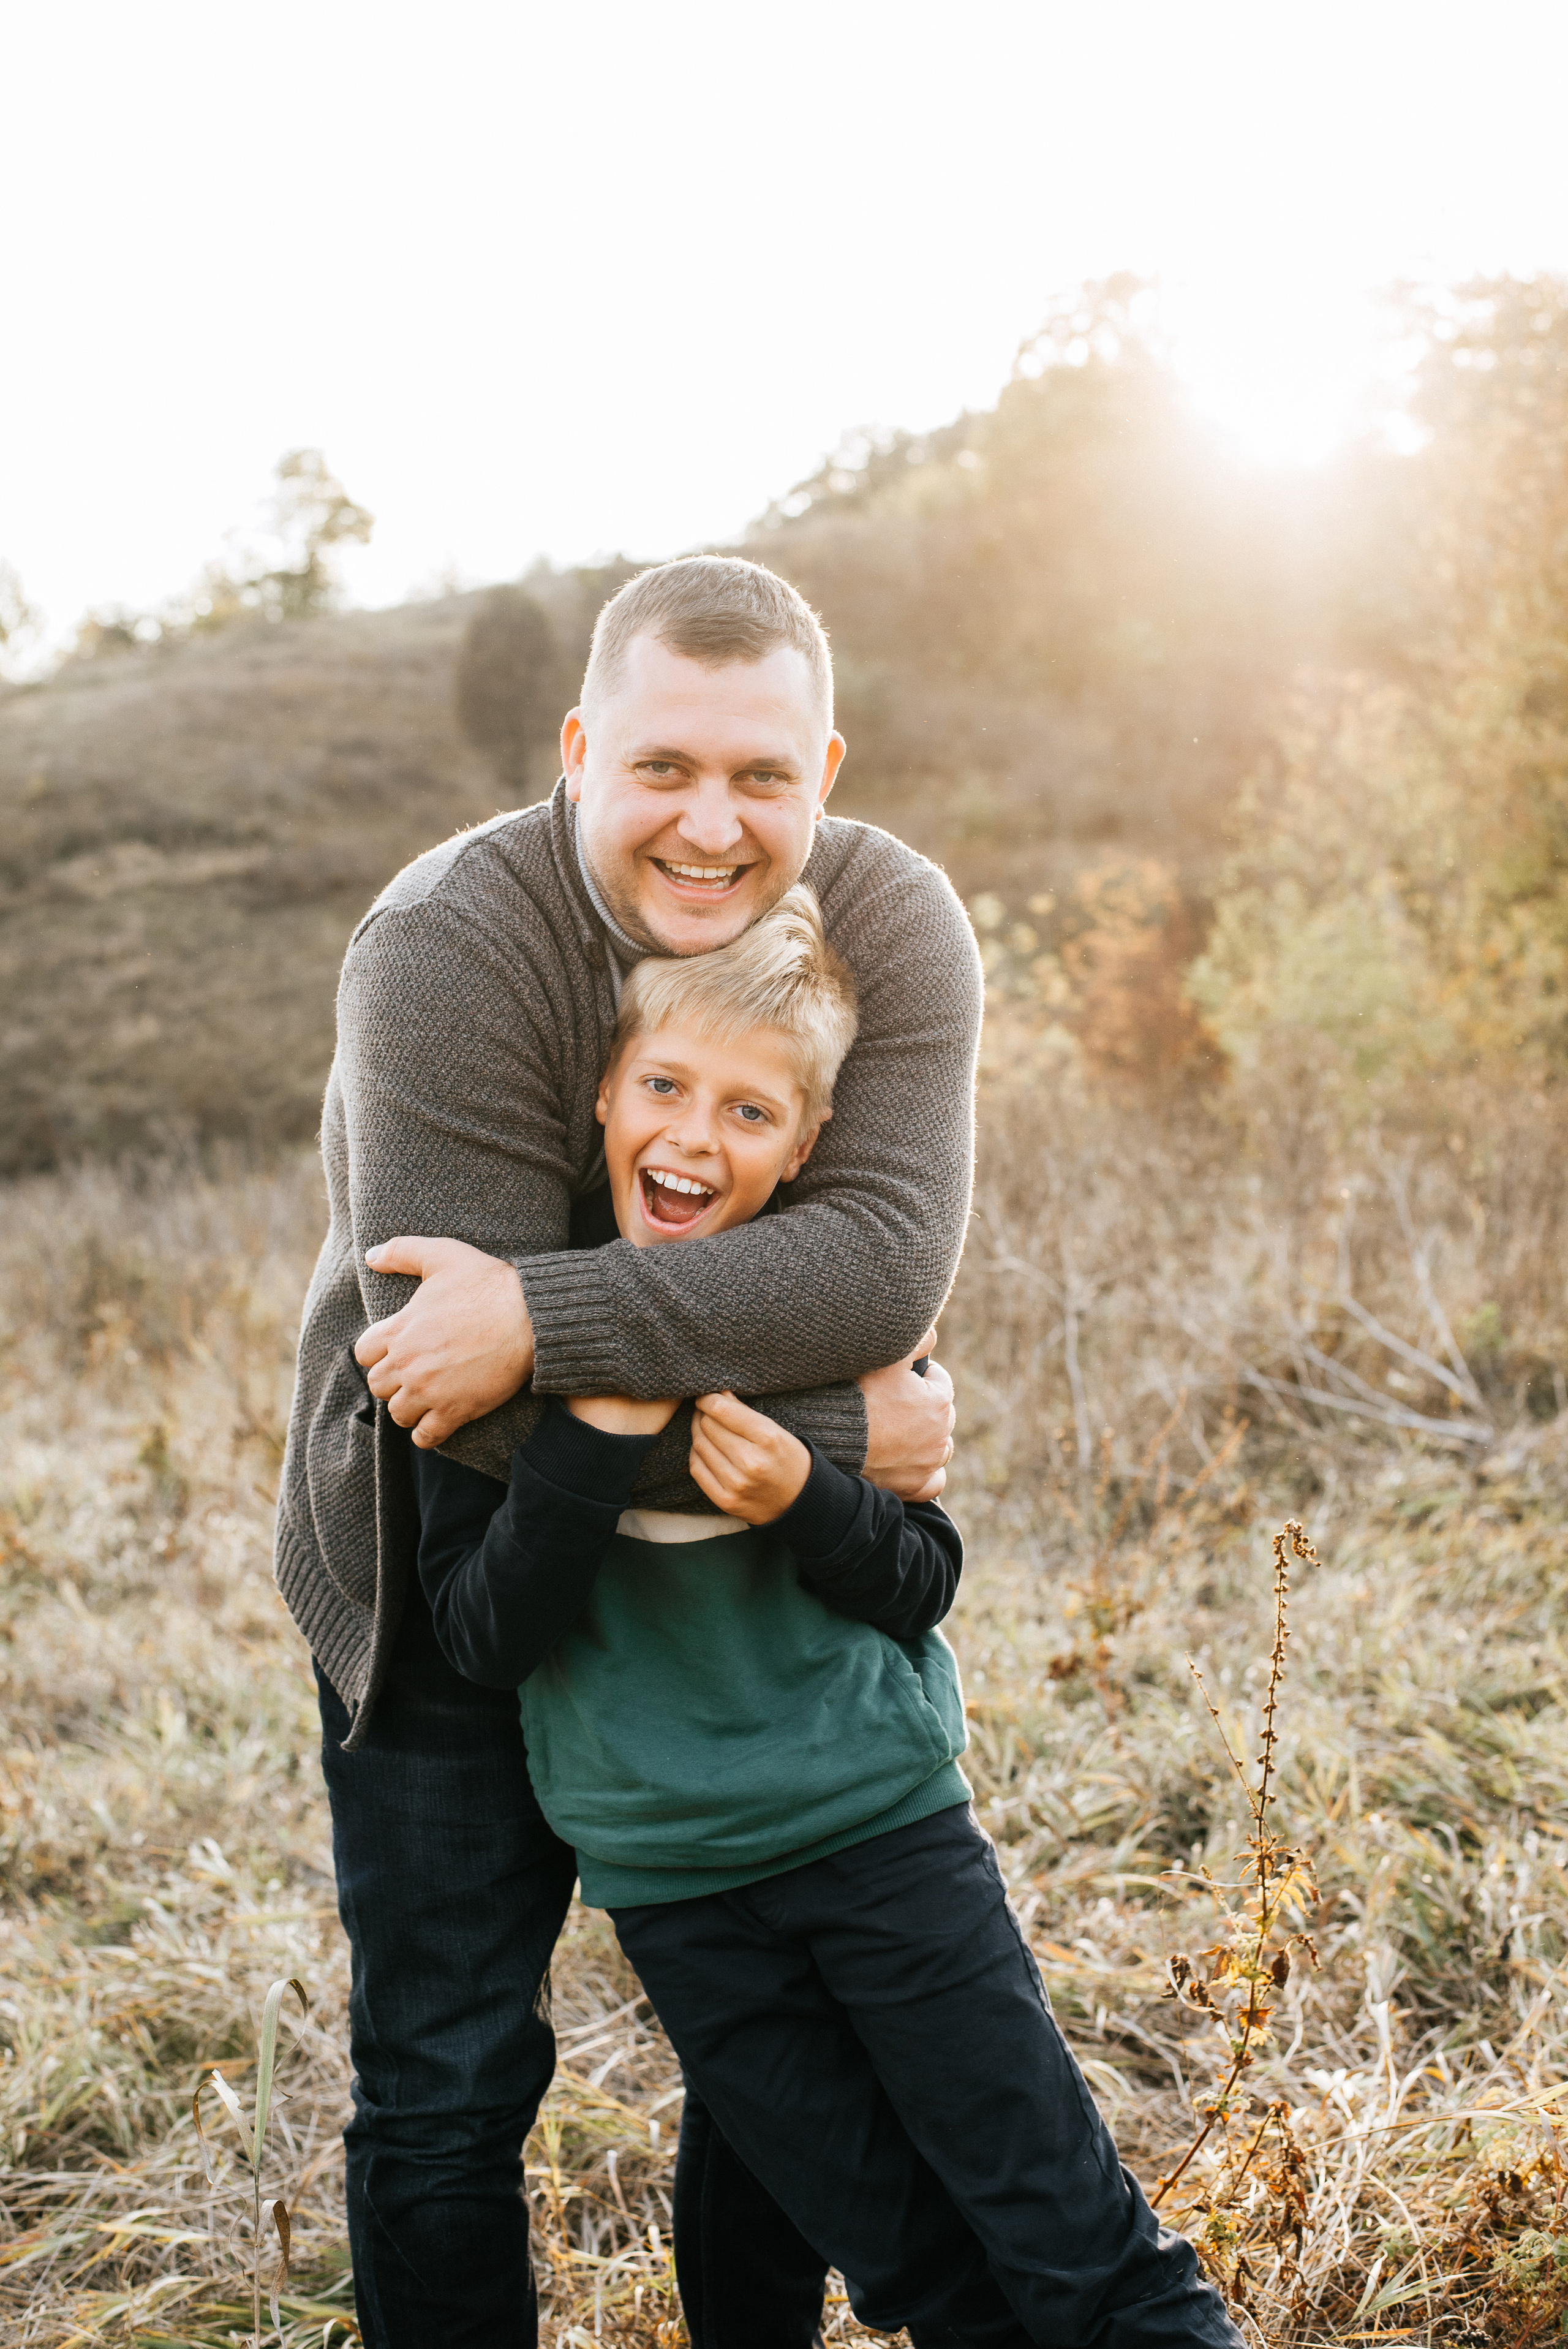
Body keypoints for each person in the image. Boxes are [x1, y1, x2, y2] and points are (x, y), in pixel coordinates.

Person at [276, 554, 978, 2347]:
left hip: (730, 1575)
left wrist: (550, 1320)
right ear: (581, 749)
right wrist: (838, 1433)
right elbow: (466, 1384)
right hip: (443, 1552)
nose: (711, 820)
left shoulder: (890, 918)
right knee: (446, 2074)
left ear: (826, 771)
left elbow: (880, 1263)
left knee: (770, 2044)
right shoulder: (449, 940)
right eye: (663, 766)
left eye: (761, 775)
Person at [411, 887, 1241, 2348]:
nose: (689, 1135)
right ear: (602, 1092)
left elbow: (919, 1578)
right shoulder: (500, 1329)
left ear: (801, 1148)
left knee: (1067, 2233)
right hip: (680, 1887)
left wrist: (810, 1494)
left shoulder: (836, 1311)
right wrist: (595, 1420)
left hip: (883, 1840)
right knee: (914, 2269)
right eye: (662, 1086)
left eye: (747, 1112)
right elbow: (483, 1635)